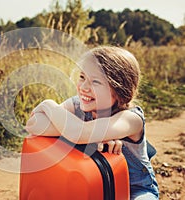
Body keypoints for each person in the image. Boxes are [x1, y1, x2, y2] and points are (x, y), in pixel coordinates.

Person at [25, 46, 159, 200]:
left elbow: (80, 133)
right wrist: (87, 134)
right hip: (96, 182)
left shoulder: (131, 119)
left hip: (135, 189)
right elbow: (34, 124)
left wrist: (48, 105)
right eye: (82, 77)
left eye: (95, 82)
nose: (83, 87)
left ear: (120, 90)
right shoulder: (77, 105)